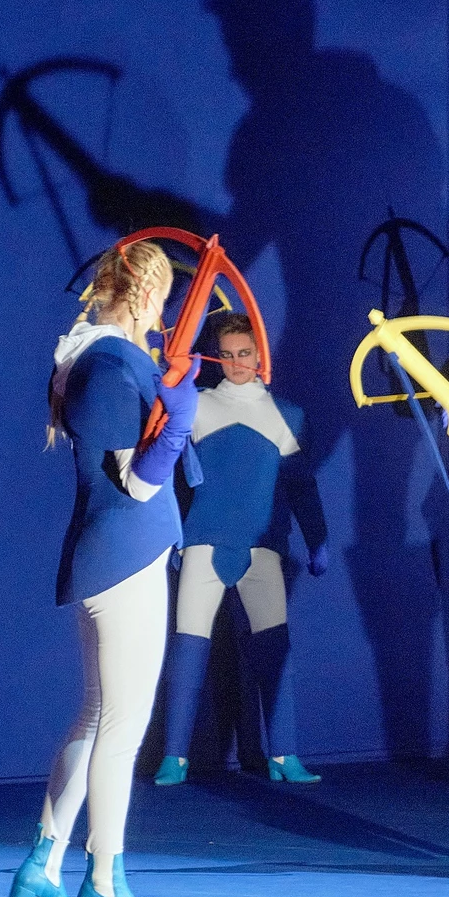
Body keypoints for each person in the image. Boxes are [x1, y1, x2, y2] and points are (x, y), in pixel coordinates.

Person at [8, 242, 197, 897]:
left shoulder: (96, 358)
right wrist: (177, 425)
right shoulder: (110, 367)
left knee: (97, 718)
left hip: (113, 555)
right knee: (123, 724)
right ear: (145, 296)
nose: (165, 314)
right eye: (163, 300)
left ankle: (42, 865)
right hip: (124, 558)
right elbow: (134, 485)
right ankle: (105, 882)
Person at [153, 315, 330, 787]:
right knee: (188, 650)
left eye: (244, 353)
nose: (236, 363)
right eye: (227, 355)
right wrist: (170, 535)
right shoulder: (195, 406)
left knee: (274, 651)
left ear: (259, 355)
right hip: (202, 543)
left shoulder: (287, 415)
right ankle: (174, 757)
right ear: (216, 357)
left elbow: (302, 487)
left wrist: (318, 539)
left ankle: (285, 754)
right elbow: (166, 476)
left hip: (262, 548)